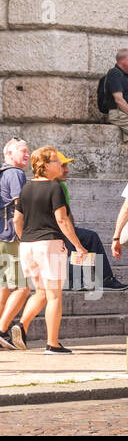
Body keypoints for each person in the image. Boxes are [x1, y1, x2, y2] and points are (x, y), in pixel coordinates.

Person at [8, 147, 87, 353]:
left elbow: (17, 219)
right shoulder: (55, 188)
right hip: (49, 244)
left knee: (41, 291)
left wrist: (24, 238)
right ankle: (53, 343)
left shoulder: (25, 188)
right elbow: (62, 219)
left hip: (28, 245)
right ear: (44, 165)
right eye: (56, 161)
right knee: (54, 295)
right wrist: (78, 245)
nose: (60, 164)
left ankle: (22, 325)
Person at [0, 139, 31, 344]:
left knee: (4, 285)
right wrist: (25, 235)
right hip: (12, 235)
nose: (27, 155)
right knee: (23, 286)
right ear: (10, 153)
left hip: (2, 235)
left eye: (28, 151)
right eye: (23, 151)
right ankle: (2, 331)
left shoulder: (3, 172)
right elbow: (21, 207)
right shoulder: (16, 174)